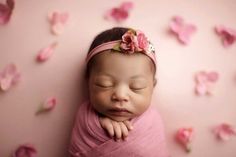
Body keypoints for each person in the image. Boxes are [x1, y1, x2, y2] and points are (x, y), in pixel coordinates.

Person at [69, 27, 169, 157]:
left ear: (152, 87)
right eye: (104, 84)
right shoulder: (85, 117)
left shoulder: (152, 123)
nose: (120, 96)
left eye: (136, 87)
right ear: (88, 82)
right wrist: (100, 125)